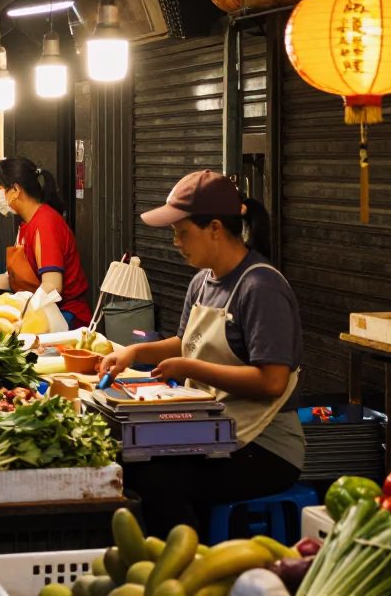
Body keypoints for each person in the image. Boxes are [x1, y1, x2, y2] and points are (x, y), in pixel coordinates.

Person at [97, 170, 303, 538]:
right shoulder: (202, 280)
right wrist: (133, 351)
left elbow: (273, 381)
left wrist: (192, 368)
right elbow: (185, 340)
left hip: (263, 447)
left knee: (157, 477)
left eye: (182, 232)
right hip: (214, 432)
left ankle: (184, 572)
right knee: (124, 458)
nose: (176, 242)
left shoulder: (260, 287)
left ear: (215, 228)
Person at [0, 157, 90, 327]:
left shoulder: (45, 224)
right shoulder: (26, 224)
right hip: (42, 311)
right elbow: (15, 279)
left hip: (65, 317)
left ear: (15, 190)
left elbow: (52, 285)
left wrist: (23, 314)